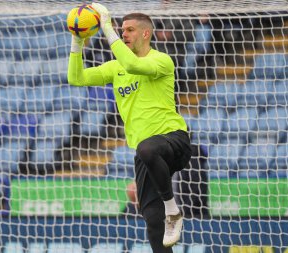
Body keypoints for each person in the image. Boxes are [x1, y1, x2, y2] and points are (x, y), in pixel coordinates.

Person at [67, 3, 192, 252]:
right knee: (152, 220)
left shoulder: (162, 61)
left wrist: (106, 28)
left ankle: (173, 210)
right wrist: (77, 40)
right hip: (146, 154)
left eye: (129, 30)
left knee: (147, 149)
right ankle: (165, 217)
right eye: (121, 29)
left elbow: (134, 65)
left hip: (173, 141)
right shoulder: (116, 68)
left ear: (146, 34)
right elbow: (76, 78)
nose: (123, 33)